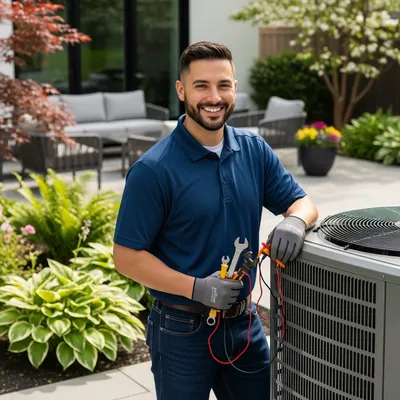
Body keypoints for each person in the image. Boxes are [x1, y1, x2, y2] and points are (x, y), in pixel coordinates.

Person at [113, 41, 318, 400]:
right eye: (201, 86)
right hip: (180, 331)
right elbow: (126, 257)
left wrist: (296, 221)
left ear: (235, 88)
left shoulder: (254, 150)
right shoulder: (154, 170)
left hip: (245, 326)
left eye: (223, 85)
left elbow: (301, 202)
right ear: (181, 91)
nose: (214, 96)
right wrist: (196, 288)